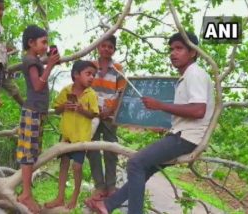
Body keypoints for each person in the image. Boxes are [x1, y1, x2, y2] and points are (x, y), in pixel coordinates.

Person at [85, 32, 215, 214]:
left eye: (179, 49)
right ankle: (107, 205)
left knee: (135, 164)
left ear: (193, 52)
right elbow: (188, 112)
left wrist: (159, 105)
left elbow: (198, 110)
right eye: (171, 49)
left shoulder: (195, 74)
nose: (173, 53)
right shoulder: (188, 76)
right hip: (181, 135)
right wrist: (166, 126)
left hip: (186, 138)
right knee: (145, 169)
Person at [16, 25, 60, 213]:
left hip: (37, 112)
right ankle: (26, 194)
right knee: (28, 155)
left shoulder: (35, 60)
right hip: (32, 112)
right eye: (43, 42)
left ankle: (26, 192)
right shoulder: (30, 61)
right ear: (31, 43)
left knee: (32, 153)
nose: (46, 45)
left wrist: (48, 62)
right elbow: (37, 86)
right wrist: (49, 65)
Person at [44, 60, 99, 210]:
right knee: (63, 165)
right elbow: (56, 109)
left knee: (77, 167)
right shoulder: (66, 90)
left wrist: (81, 110)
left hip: (81, 140)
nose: (91, 77)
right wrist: (64, 106)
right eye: (88, 74)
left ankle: (74, 196)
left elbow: (93, 114)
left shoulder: (91, 94)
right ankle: (60, 197)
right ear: (76, 75)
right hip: (66, 138)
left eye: (93, 75)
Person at [86, 35, 126, 201]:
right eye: (103, 46)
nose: (106, 49)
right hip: (91, 116)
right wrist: (92, 110)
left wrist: (111, 109)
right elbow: (83, 88)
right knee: (92, 150)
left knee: (110, 150)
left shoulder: (117, 68)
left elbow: (122, 92)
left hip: (110, 116)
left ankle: (111, 186)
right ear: (98, 47)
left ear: (114, 50)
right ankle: (99, 186)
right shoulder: (90, 66)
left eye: (110, 47)